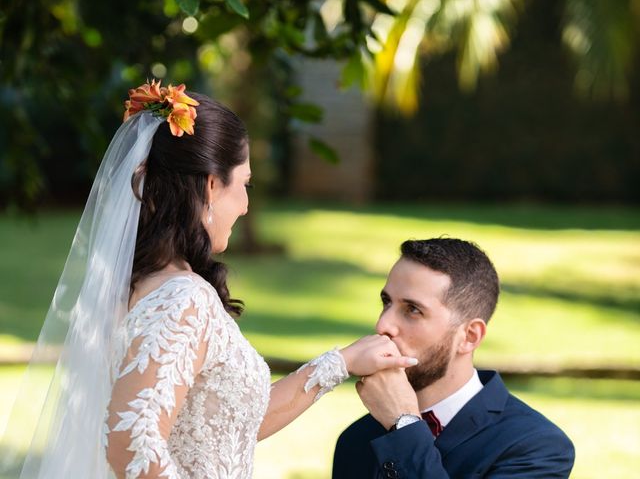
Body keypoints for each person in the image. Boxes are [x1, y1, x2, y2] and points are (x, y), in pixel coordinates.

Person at [0, 81, 418, 479]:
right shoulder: (183, 300)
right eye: (245, 184)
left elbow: (224, 426)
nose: (247, 204)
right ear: (212, 185)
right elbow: (130, 438)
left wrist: (339, 363)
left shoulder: (138, 288)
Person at [332, 238, 575, 478]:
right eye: (386, 302)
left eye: (413, 310)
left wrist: (403, 426)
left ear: (469, 336)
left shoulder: (536, 446)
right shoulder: (355, 439)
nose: (382, 324)